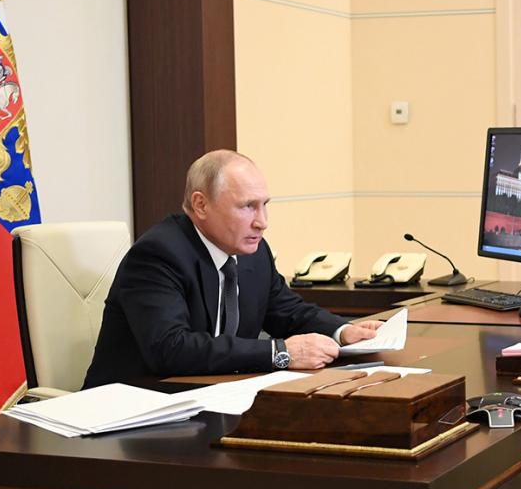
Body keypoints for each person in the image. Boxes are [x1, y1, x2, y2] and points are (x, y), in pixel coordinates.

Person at [83, 151, 382, 387]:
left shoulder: (253, 251)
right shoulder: (159, 254)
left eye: (265, 205)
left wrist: (343, 331)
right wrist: (280, 353)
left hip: (214, 399)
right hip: (134, 411)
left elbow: (287, 311)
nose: (262, 221)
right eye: (247, 207)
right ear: (200, 205)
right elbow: (171, 349)